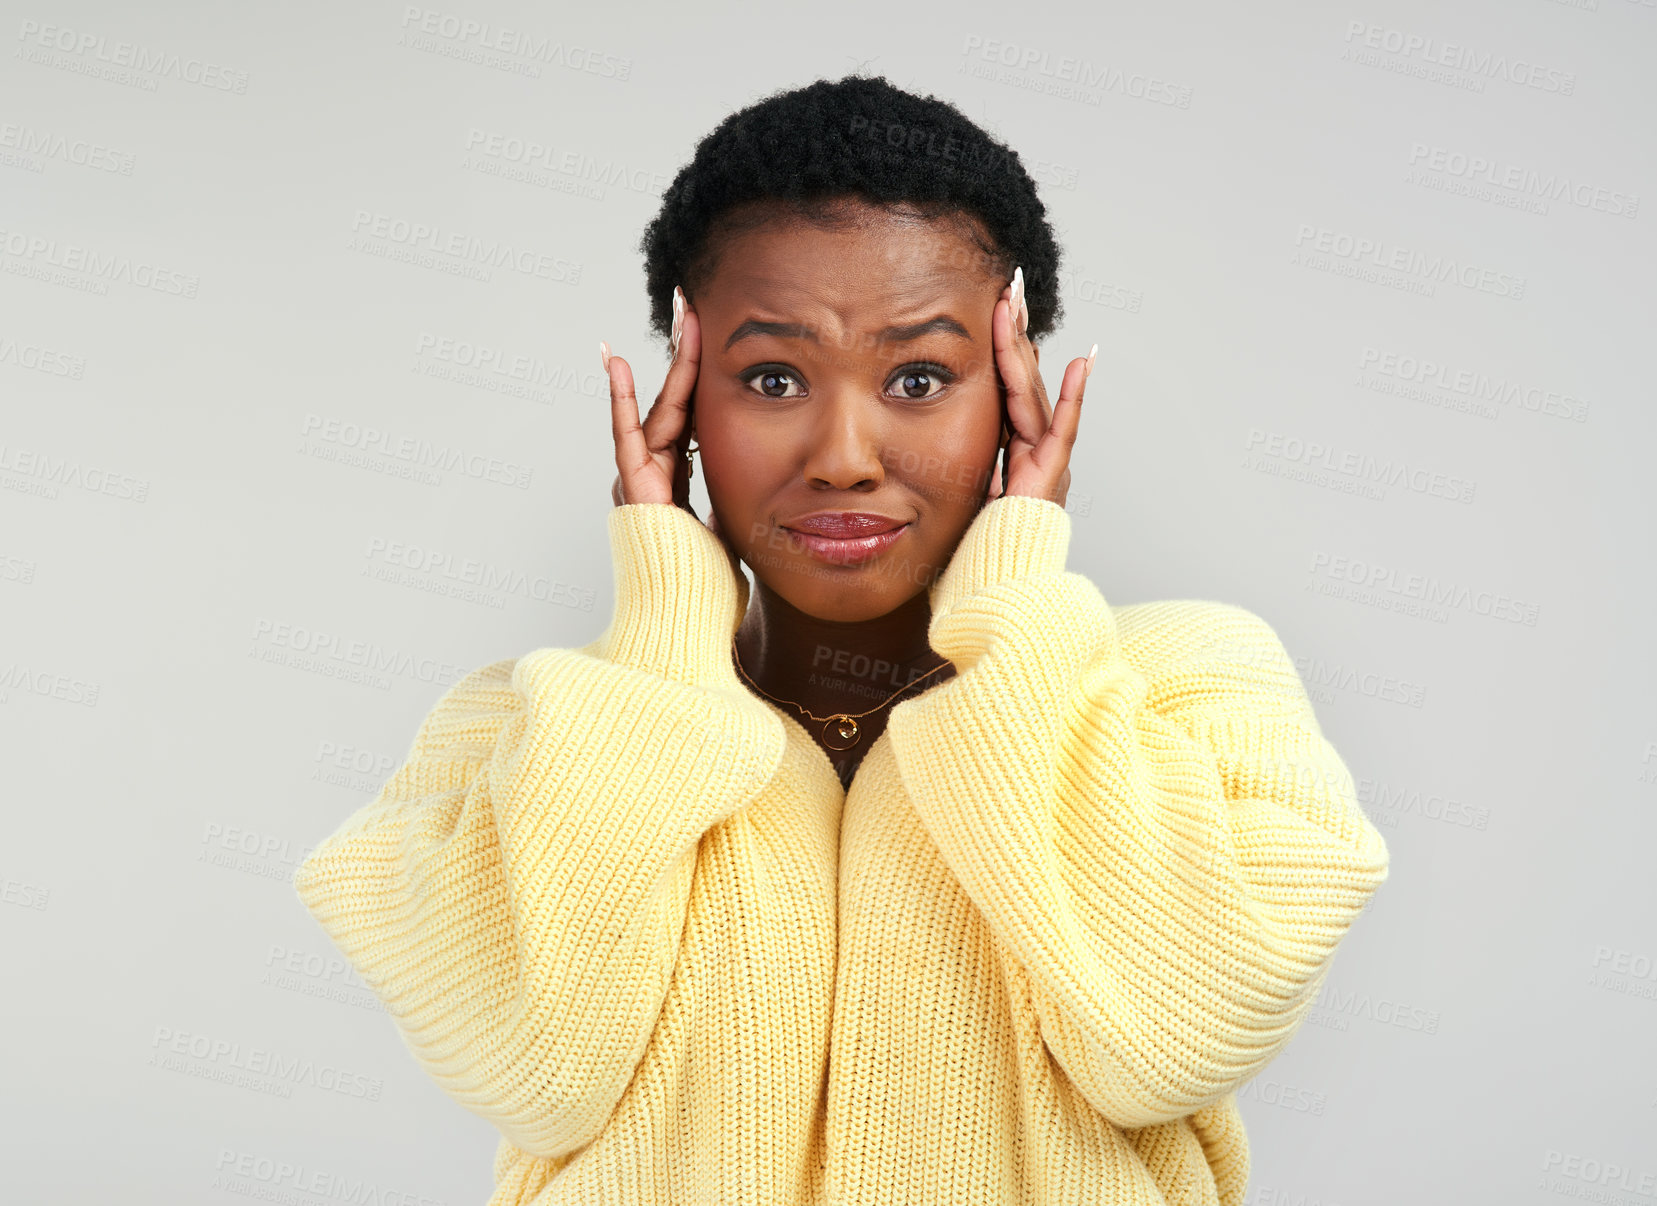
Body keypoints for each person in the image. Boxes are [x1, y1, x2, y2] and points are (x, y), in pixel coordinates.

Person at [295, 74, 1390, 1206]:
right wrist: (667, 624)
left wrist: (1013, 588)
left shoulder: (1192, 694)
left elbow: (1166, 1040)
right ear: (688, 397)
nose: (844, 453)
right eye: (772, 376)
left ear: (1015, 397)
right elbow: (536, 1072)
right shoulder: (519, 735)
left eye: (919, 377)